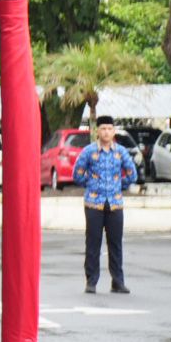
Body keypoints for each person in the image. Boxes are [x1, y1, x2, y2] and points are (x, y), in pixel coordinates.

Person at [72, 114, 137, 295]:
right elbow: (77, 173)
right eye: (103, 129)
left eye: (109, 128)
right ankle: (91, 281)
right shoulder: (89, 151)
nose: (106, 132)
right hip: (94, 204)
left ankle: (118, 281)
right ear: (97, 131)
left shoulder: (120, 152)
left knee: (115, 244)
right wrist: (91, 184)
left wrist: (119, 185)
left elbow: (132, 174)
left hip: (115, 204)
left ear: (114, 131)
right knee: (93, 243)